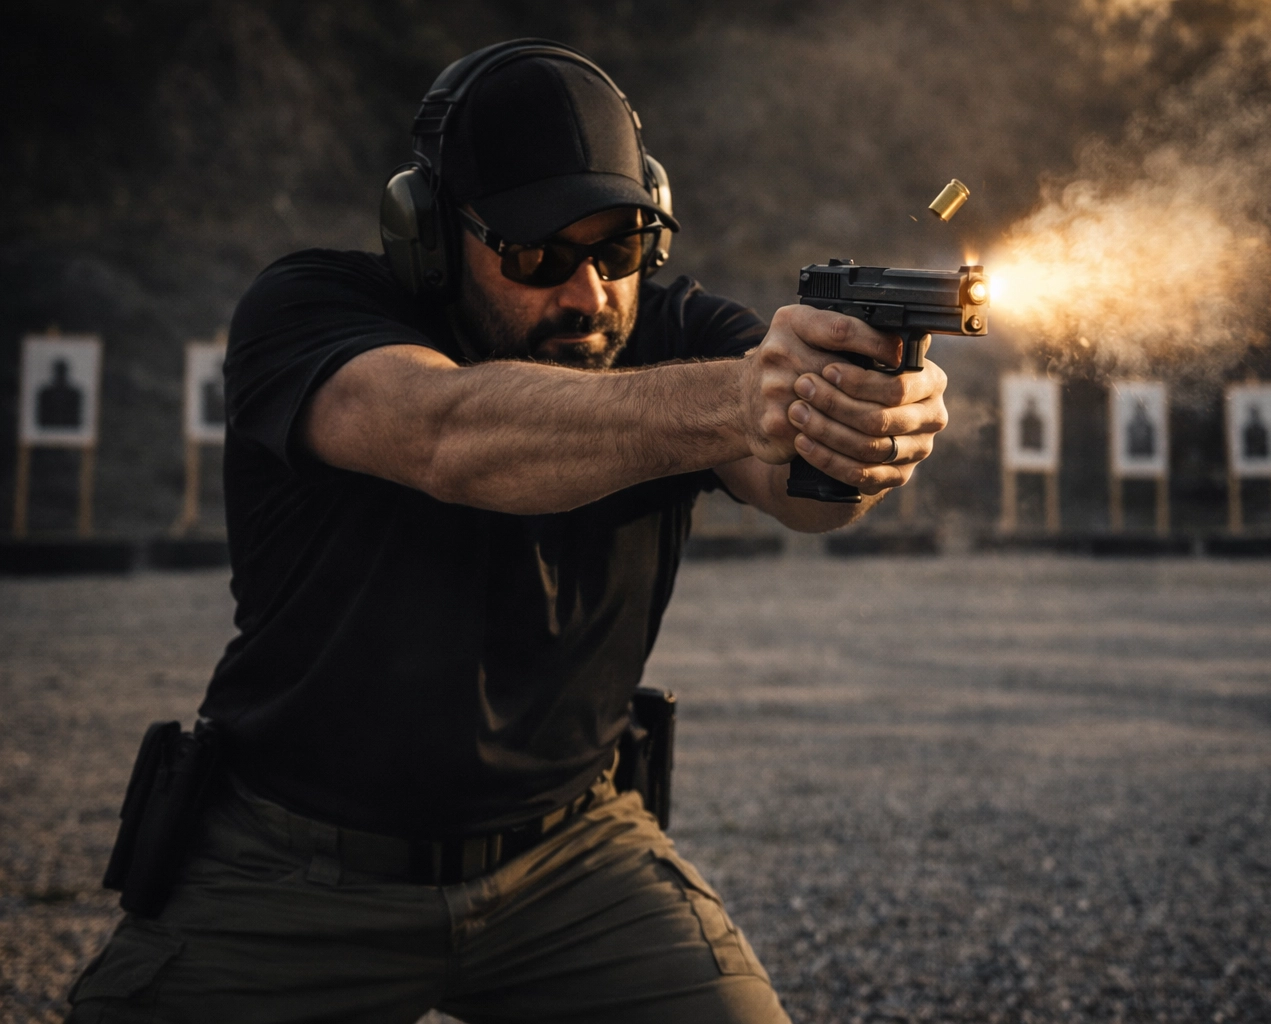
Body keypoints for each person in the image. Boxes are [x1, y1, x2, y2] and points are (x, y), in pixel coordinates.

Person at [68, 40, 948, 1024]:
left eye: (618, 250)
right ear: (432, 237)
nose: (587, 294)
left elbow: (799, 492)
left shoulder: (678, 336)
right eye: (537, 254)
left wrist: (858, 431)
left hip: (572, 855)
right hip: (295, 866)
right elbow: (450, 438)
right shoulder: (310, 309)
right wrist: (747, 398)